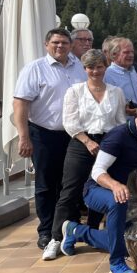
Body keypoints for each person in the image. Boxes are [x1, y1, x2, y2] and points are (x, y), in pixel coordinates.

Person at [59, 100, 137, 273]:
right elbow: (97, 171)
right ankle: (116, 263)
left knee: (130, 244)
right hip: (96, 190)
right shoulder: (118, 136)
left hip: (125, 193)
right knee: (118, 202)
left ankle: (76, 231)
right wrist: (115, 185)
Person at [42, 49, 127, 260]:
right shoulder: (75, 91)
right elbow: (69, 122)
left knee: (102, 187)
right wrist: (87, 141)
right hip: (81, 142)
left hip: (108, 143)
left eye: (99, 67)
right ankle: (55, 238)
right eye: (90, 67)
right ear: (84, 68)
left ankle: (91, 231)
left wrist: (116, 146)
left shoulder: (116, 92)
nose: (95, 71)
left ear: (105, 67)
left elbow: (120, 122)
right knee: (70, 190)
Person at [14, 28, 87, 250]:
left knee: (71, 182)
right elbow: (20, 103)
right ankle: (46, 231)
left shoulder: (79, 67)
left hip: (73, 135)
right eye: (55, 42)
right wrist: (24, 137)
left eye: (64, 42)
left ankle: (69, 227)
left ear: (70, 45)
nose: (60, 46)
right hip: (43, 134)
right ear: (46, 45)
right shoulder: (35, 68)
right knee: (46, 184)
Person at [104, 37, 137, 116]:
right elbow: (108, 103)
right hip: (121, 121)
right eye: (126, 52)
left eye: (132, 52)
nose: (131, 55)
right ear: (114, 54)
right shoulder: (108, 75)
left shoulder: (135, 70)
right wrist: (126, 110)